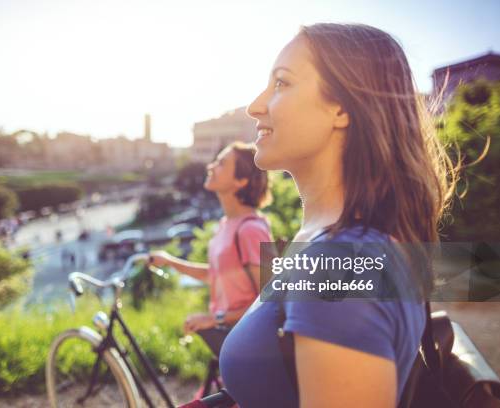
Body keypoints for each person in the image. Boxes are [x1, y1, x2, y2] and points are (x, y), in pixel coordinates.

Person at [219, 23, 456, 408]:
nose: (255, 106)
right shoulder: (328, 240)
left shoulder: (339, 264)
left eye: (281, 83)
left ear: (342, 108)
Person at [149, 141, 273, 356]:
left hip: (250, 345)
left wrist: (213, 319)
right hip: (229, 337)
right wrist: (170, 261)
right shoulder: (226, 224)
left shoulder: (251, 230)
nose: (210, 167)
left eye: (221, 164)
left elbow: (271, 299)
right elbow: (216, 274)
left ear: (240, 181)